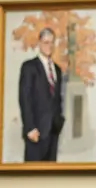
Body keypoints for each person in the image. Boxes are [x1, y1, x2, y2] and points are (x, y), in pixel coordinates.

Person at [18, 27, 64, 162]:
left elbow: (57, 98)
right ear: (39, 43)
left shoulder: (57, 70)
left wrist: (59, 121)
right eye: (45, 42)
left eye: (51, 43)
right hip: (36, 133)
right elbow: (24, 99)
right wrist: (30, 128)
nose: (49, 46)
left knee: (50, 179)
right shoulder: (29, 67)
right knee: (32, 179)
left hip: (53, 132)